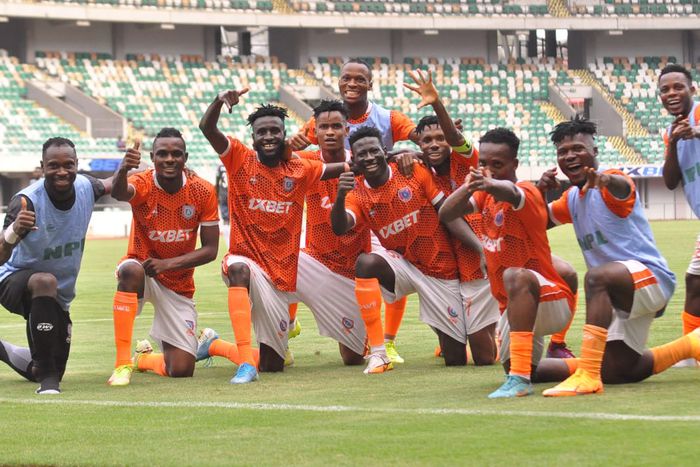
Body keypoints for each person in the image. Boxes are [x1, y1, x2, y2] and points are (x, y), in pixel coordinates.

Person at [533, 117, 699, 396]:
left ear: (595, 152)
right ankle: (690, 344)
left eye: (578, 149)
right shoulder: (571, 198)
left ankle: (587, 373)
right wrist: (538, 191)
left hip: (651, 280)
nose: (570, 156)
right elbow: (536, 222)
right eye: (563, 152)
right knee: (617, 372)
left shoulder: (611, 181)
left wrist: (606, 181)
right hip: (616, 294)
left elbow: (621, 187)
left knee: (596, 277)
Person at [198, 88, 349, 384]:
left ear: (284, 135)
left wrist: (390, 157)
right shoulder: (239, 158)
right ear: (253, 137)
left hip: (280, 274)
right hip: (246, 261)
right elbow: (208, 128)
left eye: (274, 131)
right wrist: (218, 101)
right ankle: (245, 365)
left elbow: (344, 167)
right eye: (262, 132)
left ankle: (214, 345)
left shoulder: (299, 169)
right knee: (238, 268)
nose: (268, 136)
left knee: (273, 364)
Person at [439, 128, 575, 398]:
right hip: (512, 308)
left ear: (515, 164)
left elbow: (511, 192)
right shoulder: (484, 196)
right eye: (483, 164)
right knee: (524, 367)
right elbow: (446, 213)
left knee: (515, 275)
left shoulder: (526, 191)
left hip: (549, 300)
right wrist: (470, 185)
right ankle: (595, 365)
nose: (488, 170)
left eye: (497, 165)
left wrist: (486, 183)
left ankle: (520, 382)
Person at [331, 126, 473, 374]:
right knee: (366, 263)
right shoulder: (356, 191)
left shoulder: (411, 171)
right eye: (362, 154)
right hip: (403, 265)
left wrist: (478, 249)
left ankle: (442, 325)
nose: (369, 157)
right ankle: (379, 354)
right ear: (354, 159)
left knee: (455, 359)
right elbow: (340, 227)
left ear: (385, 151)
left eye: (374, 151)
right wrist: (340, 197)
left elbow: (446, 213)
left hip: (439, 269)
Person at [106, 128, 220, 387]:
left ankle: (143, 359)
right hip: (143, 270)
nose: (169, 159)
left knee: (181, 369)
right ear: (152, 157)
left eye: (176, 154)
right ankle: (122, 364)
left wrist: (166, 265)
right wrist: (123, 169)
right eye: (162, 154)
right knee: (130, 271)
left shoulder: (202, 190)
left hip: (177, 283)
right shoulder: (143, 182)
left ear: (185, 158)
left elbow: (211, 250)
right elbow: (120, 193)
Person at [0, 137, 112, 394]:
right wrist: (14, 231)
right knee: (44, 280)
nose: (62, 171)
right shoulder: (26, 201)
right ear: (43, 167)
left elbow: (113, 183)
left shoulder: (86, 186)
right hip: (12, 279)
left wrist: (135, 169)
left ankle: (27, 362)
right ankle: (49, 384)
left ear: (77, 165)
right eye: (53, 166)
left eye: (68, 165)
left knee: (43, 365)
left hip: (57, 293)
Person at [403, 69, 499, 364]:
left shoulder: (466, 160)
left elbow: (456, 137)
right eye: (426, 140)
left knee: (483, 357)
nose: (433, 144)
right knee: (456, 345)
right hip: (447, 265)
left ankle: (500, 334)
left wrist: (436, 104)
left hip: (480, 259)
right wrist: (399, 154)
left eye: (439, 138)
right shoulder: (421, 173)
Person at [658, 64, 700, 366]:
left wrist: (696, 133)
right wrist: (674, 142)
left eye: (678, 87)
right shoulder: (669, 133)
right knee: (695, 282)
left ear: (692, 90)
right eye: (665, 89)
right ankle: (691, 351)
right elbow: (671, 181)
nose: (671, 93)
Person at [289, 58, 418, 152]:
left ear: (370, 86)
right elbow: (291, 149)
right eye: (346, 79)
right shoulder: (322, 120)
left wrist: (409, 153)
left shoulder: (390, 119)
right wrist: (290, 146)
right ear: (339, 82)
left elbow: (426, 140)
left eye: (360, 79)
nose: (351, 84)